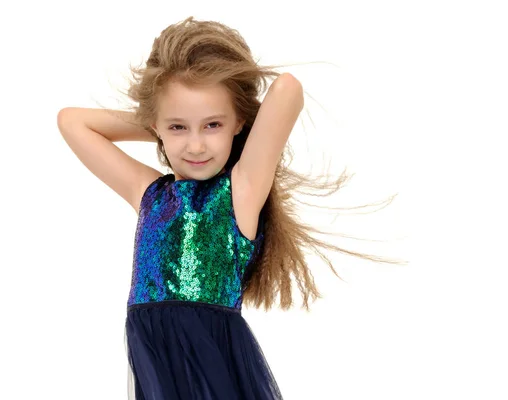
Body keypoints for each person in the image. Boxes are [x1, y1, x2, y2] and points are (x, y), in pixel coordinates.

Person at [57, 16, 405, 400]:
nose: (195, 146)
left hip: (216, 364)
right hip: (157, 366)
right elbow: (71, 121)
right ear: (156, 126)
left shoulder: (242, 190)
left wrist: (173, 118)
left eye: (212, 125)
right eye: (178, 129)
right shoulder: (149, 195)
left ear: (238, 122)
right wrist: (159, 118)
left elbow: (287, 90)